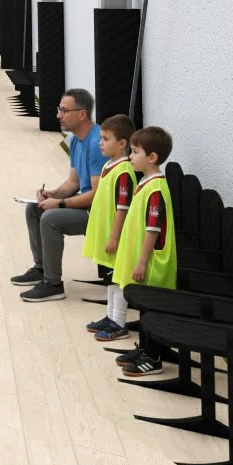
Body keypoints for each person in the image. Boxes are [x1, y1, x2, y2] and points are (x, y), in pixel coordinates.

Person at [12, 88, 105, 302]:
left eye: (64, 111)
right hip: (87, 204)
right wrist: (51, 194)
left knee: (51, 218)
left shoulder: (96, 144)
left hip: (99, 212)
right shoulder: (74, 140)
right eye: (58, 110)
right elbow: (73, 182)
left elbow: (96, 196)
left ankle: (53, 284)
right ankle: (41, 268)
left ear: (81, 114)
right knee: (34, 208)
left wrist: (60, 204)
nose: (58, 115)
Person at [114, 126, 178, 378]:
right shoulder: (146, 183)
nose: (130, 156)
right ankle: (145, 349)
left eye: (136, 152)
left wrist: (141, 262)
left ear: (152, 158)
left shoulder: (155, 189)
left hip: (151, 261)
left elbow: (153, 229)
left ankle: (153, 359)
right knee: (143, 306)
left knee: (151, 308)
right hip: (143, 259)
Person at [82, 115, 137, 342]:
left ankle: (119, 322)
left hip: (117, 236)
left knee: (118, 278)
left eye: (105, 139)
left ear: (122, 143)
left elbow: (123, 208)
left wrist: (114, 237)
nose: (100, 143)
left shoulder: (124, 172)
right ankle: (110, 316)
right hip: (105, 234)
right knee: (109, 277)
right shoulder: (108, 165)